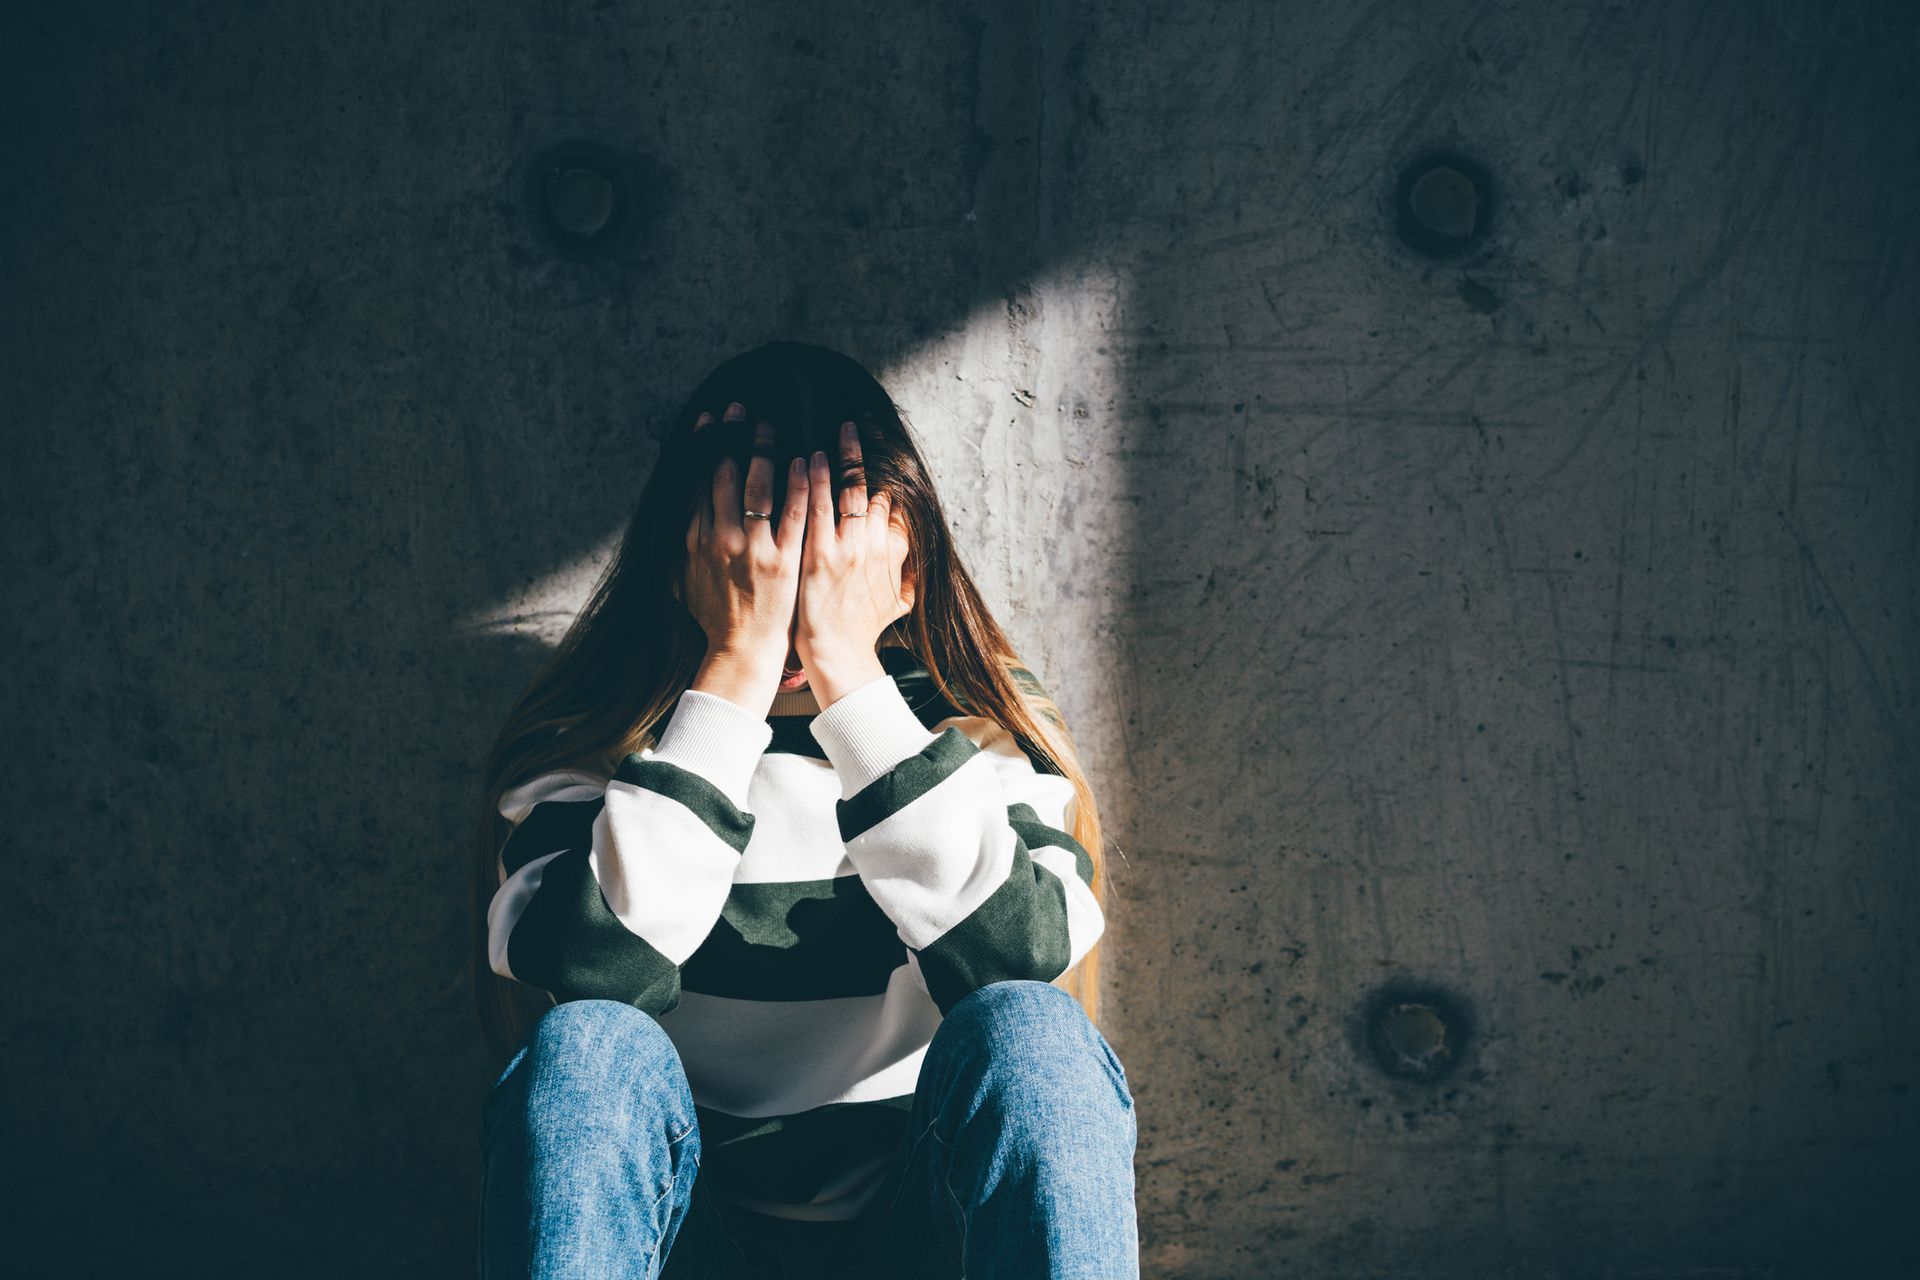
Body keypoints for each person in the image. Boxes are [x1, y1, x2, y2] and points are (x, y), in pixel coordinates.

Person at [471, 341, 1137, 1278]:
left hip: (924, 1241)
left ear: (906, 575)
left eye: (828, 569)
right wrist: (735, 668)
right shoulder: (599, 744)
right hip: (680, 1246)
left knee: (1034, 1037)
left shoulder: (972, 734)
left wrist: (850, 678)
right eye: (750, 558)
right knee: (588, 1046)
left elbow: (1016, 956)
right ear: (685, 561)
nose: (786, 601)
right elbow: (594, 966)